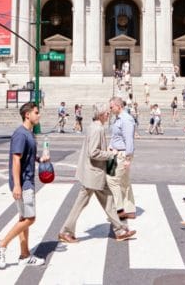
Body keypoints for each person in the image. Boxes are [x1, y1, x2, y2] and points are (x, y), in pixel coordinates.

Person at [58, 104, 137, 244]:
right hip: (93, 174)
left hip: (94, 173)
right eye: (107, 113)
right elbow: (93, 152)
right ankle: (66, 231)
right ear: (101, 114)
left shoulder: (94, 126)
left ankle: (119, 230)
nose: (109, 115)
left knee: (108, 201)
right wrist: (110, 154)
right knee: (87, 203)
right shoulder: (97, 129)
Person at [0, 103, 48, 269]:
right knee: (30, 219)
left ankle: (24, 255)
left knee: (23, 218)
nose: (39, 116)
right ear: (27, 115)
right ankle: (2, 245)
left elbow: (26, 156)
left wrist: (39, 159)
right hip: (23, 182)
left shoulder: (29, 133)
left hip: (27, 180)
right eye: (36, 113)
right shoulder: (20, 134)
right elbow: (16, 160)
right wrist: (17, 185)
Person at [107, 97, 136, 219]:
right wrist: (110, 145)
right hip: (114, 153)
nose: (110, 109)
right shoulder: (117, 118)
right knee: (124, 182)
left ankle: (119, 210)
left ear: (119, 106)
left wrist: (128, 158)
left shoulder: (126, 119)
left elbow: (129, 139)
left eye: (111, 106)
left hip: (122, 154)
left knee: (111, 180)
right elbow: (115, 136)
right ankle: (129, 209)